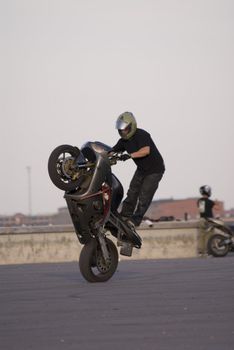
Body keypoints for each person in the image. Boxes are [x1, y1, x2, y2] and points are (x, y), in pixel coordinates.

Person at [112, 111, 165, 228]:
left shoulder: (142, 135)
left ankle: (135, 220)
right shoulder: (123, 141)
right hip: (142, 169)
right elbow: (112, 151)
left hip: (155, 169)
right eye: (120, 130)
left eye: (125, 129)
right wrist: (102, 155)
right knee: (132, 192)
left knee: (144, 196)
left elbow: (146, 151)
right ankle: (125, 215)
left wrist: (129, 155)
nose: (122, 132)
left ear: (131, 126)